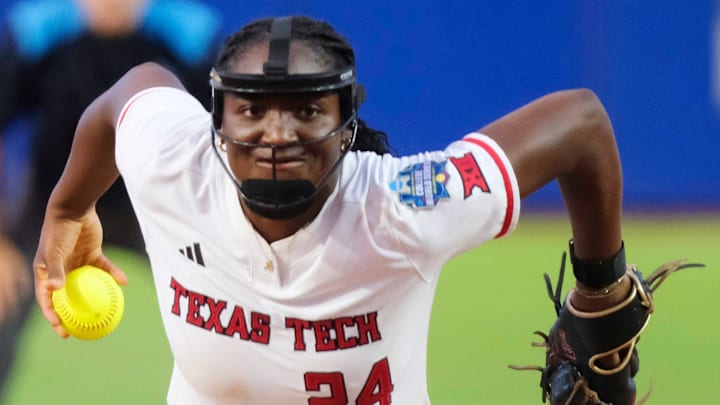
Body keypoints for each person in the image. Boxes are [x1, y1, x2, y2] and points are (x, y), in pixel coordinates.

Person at [32, 15, 669, 404]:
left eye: (307, 110)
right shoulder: (178, 165)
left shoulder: (401, 205)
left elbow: (581, 122)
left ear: (346, 126)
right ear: (217, 120)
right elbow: (132, 91)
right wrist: (67, 210)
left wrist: (598, 292)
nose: (276, 134)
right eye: (251, 109)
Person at [0, 0, 221, 394]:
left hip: (156, 210)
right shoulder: (37, 30)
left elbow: (226, 140)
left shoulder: (191, 34)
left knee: (228, 307)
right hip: (52, 208)